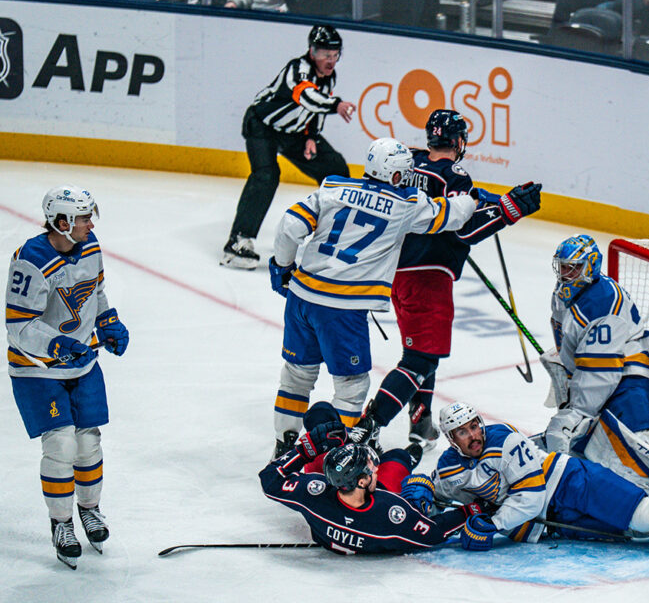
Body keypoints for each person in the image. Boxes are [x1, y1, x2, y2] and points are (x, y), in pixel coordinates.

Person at [268, 136, 540, 459]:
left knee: (297, 375)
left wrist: (283, 267)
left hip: (301, 296)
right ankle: (341, 457)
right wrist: (486, 200)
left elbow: (290, 226)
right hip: (343, 307)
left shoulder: (333, 187)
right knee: (352, 386)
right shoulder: (405, 204)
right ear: (397, 175)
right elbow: (454, 215)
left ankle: (283, 445)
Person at [353, 109, 542, 448]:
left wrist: (486, 201)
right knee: (420, 360)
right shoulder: (454, 175)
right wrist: (506, 211)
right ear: (458, 141)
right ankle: (369, 426)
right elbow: (464, 228)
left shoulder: (408, 162)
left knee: (421, 352)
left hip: (392, 271)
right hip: (428, 276)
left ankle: (421, 422)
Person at [400, 401, 649, 559]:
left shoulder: (503, 440)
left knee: (642, 514)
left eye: (473, 425)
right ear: (451, 439)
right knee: (638, 533)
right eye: (462, 432)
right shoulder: (451, 464)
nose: (473, 435)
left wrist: (494, 525)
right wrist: (420, 492)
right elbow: (438, 486)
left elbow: (530, 497)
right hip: (554, 519)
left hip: (569, 481)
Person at [6, 186, 130, 570]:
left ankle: (89, 509)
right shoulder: (31, 261)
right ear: (62, 222)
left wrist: (108, 321)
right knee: (61, 444)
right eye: (84, 218)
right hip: (37, 369)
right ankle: (61, 523)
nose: (91, 224)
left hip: (82, 363)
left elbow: (96, 292)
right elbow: (18, 327)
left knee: (88, 443)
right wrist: (57, 345)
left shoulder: (89, 246)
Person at [540, 234, 649, 506]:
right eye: (563, 267)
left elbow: (600, 374)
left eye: (574, 268)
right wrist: (567, 369)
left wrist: (577, 410)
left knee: (639, 457)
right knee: (598, 451)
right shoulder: (564, 293)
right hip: (604, 377)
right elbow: (575, 346)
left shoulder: (602, 304)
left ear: (590, 267)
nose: (566, 274)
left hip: (631, 383)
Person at [259, 402, 481, 554]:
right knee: (399, 457)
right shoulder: (392, 513)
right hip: (376, 498)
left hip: (339, 500)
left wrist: (307, 449)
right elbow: (435, 531)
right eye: (371, 467)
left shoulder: (314, 493)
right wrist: (475, 509)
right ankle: (392, 456)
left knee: (320, 413)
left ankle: (353, 448)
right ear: (362, 481)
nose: (375, 468)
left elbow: (269, 479)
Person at [221, 25, 357, 270]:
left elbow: (315, 110)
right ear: (312, 52)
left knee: (335, 168)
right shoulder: (298, 69)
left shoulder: (329, 76)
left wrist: (311, 136)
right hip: (262, 127)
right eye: (325, 54)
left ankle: (331, 236)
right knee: (266, 175)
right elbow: (307, 98)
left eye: (335, 54)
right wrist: (336, 105)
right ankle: (238, 240)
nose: (331, 60)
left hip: (295, 133)